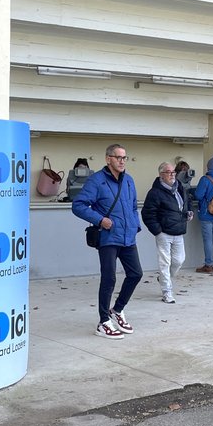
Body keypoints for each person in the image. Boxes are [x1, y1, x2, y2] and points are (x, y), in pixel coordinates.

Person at [73, 143, 142, 339]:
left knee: (136, 274)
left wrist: (135, 226)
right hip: (108, 238)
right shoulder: (97, 181)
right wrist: (100, 220)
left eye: (124, 157)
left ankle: (117, 310)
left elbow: (133, 206)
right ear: (108, 159)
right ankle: (103, 322)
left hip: (128, 237)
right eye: (118, 157)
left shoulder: (129, 180)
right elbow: (78, 205)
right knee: (109, 278)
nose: (122, 161)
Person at [141, 162, 192, 303]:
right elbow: (147, 214)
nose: (172, 175)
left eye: (173, 172)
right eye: (168, 173)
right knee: (165, 263)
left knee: (179, 260)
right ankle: (167, 292)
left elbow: (186, 202)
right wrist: (157, 231)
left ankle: (164, 278)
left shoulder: (179, 187)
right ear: (161, 175)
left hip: (179, 231)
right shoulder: (155, 193)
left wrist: (188, 211)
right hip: (164, 233)